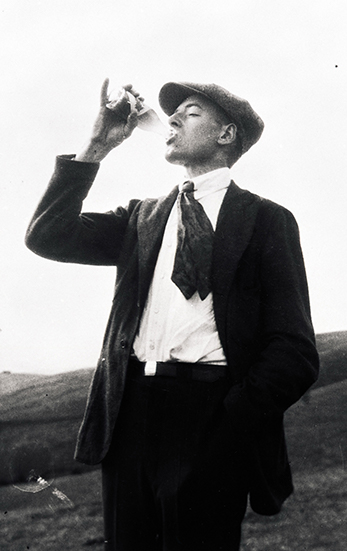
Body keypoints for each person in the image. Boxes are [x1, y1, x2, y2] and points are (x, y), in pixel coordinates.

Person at [25, 79, 319, 550]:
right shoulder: (143, 217)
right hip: (129, 416)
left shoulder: (266, 220)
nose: (174, 119)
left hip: (210, 416)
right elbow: (48, 237)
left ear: (226, 135)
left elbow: (294, 348)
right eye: (173, 113)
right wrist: (96, 147)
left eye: (192, 112)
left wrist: (230, 419)